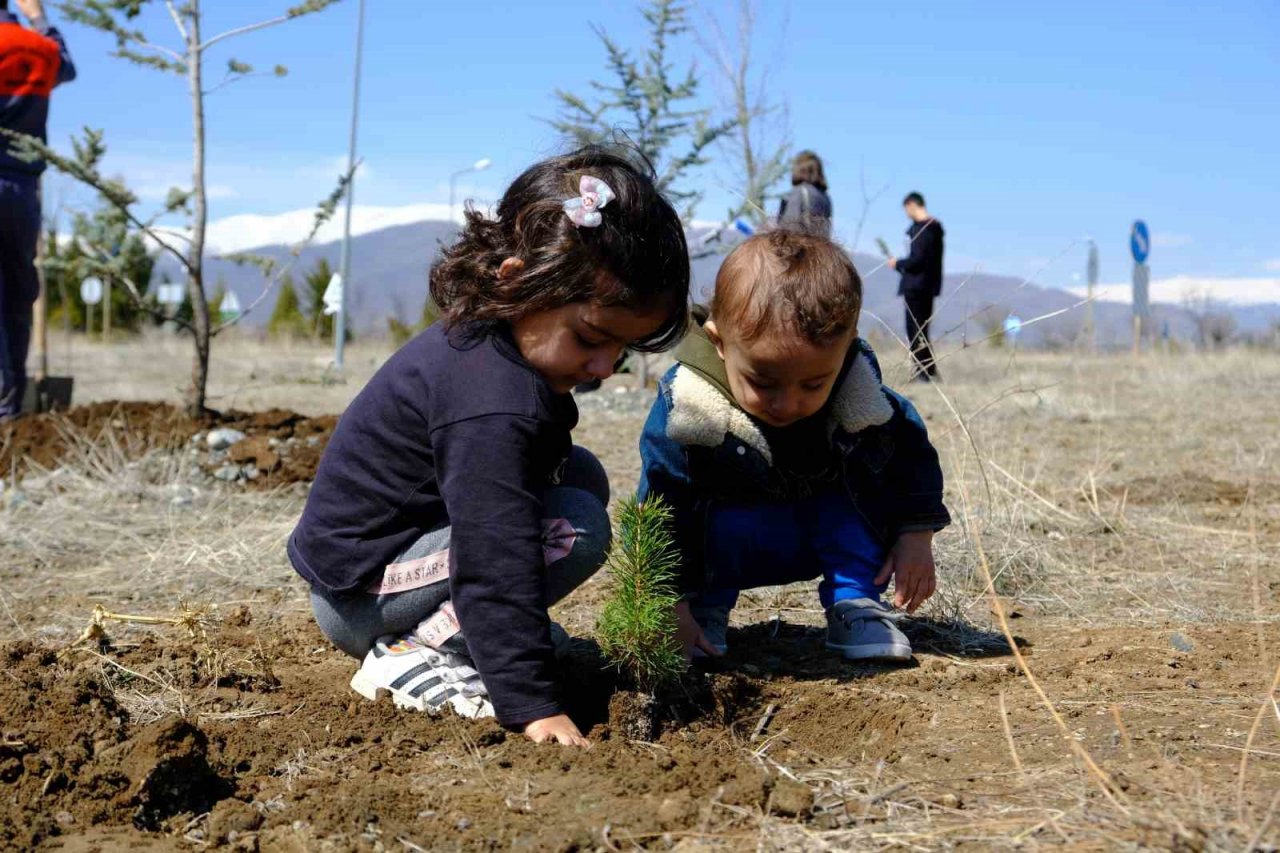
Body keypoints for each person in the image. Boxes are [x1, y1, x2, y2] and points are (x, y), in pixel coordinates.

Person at [288, 147, 690, 747]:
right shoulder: (489, 400)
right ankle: (411, 651)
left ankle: (469, 633)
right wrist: (531, 704)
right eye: (590, 338)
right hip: (361, 595)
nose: (605, 366)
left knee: (580, 474)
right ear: (517, 280)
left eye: (622, 350)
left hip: (396, 558)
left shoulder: (495, 343)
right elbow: (492, 548)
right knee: (576, 526)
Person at [638, 230, 950, 664]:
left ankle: (855, 602)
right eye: (763, 383)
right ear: (719, 342)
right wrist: (669, 602)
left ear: (845, 347)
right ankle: (704, 608)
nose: (788, 404)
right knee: (698, 518)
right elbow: (659, 507)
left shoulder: (864, 400)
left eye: (814, 383)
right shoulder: (688, 410)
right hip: (727, 542)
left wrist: (916, 534)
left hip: (817, 530)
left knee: (856, 496)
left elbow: (911, 456)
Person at [0, 0, 75, 420]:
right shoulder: (38, 46)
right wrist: (39, 18)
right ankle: (9, 411)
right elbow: (66, 65)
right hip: (24, 189)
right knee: (17, 292)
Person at [887, 192, 943, 381]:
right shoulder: (934, 228)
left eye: (906, 209)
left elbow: (917, 259)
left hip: (916, 287)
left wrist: (899, 264)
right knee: (922, 330)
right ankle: (929, 371)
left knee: (915, 331)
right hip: (928, 286)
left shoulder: (923, 229)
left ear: (912, 205)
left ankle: (923, 373)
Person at [777, 150, 832, 238]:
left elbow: (790, 226)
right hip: (821, 249)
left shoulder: (798, 192)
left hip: (800, 246)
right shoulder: (826, 198)